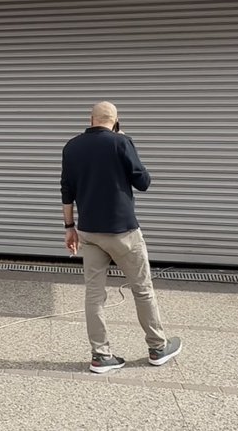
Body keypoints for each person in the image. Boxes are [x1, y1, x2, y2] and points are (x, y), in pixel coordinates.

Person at [60, 101, 182, 374]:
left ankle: (101, 356)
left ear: (91, 119)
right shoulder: (121, 142)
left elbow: (66, 190)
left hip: (88, 232)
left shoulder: (72, 147)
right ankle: (157, 347)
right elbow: (144, 182)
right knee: (142, 289)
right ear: (115, 121)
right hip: (123, 232)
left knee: (94, 295)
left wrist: (69, 227)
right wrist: (123, 141)